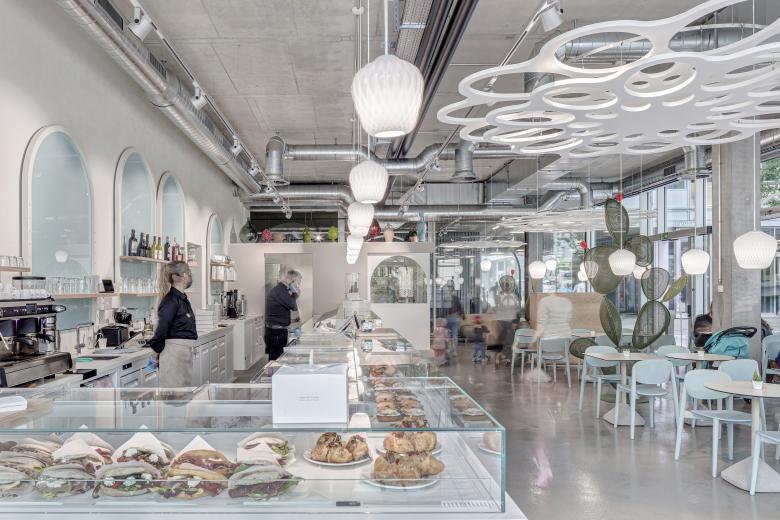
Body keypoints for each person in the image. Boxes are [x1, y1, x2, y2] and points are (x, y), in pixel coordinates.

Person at [149, 261, 197, 369]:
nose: (190, 276)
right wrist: (155, 354)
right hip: (173, 355)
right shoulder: (171, 301)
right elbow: (162, 330)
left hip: (183, 354)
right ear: (184, 275)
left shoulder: (182, 299)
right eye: (189, 272)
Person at [264, 269, 302, 361]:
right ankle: (273, 371)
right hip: (276, 332)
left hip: (276, 331)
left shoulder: (281, 289)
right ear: (292, 280)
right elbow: (293, 306)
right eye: (298, 282)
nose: (298, 285)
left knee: (275, 359)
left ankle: (273, 370)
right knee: (276, 360)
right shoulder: (280, 291)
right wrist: (296, 293)